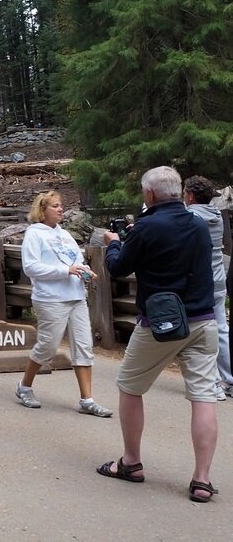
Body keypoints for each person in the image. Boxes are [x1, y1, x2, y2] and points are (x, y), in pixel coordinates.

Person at [98, 166, 218, 503]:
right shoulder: (199, 224)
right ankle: (202, 480)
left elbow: (118, 268)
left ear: (149, 195)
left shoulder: (146, 227)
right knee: (203, 396)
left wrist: (115, 243)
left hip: (160, 324)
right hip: (203, 320)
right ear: (179, 192)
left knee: (130, 386)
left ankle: (131, 462)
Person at [14, 191, 112, 417]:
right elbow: (31, 268)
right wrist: (64, 270)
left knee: (84, 346)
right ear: (42, 210)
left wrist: (86, 272)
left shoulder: (66, 235)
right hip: (50, 298)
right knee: (48, 346)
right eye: (55, 206)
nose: (60, 209)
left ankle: (87, 400)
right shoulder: (34, 234)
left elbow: (75, 260)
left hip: (76, 296)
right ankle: (24, 387)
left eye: (61, 206)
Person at [183, 175, 232, 401]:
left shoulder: (192, 216)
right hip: (219, 280)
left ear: (190, 195)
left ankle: (213, 383)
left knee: (204, 331)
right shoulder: (216, 216)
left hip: (202, 283)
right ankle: (229, 380)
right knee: (221, 329)